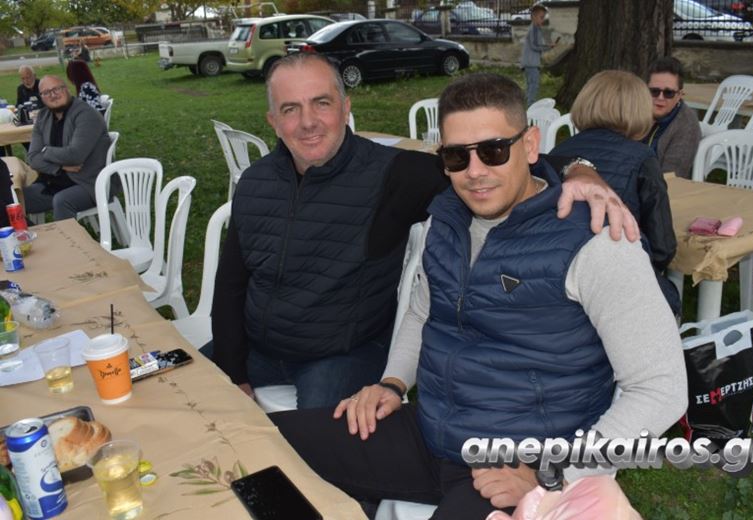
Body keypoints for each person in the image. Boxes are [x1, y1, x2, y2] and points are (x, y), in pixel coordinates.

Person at [269, 72, 687, 519]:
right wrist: (392, 383)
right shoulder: (446, 219)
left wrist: (554, 473)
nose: (475, 172)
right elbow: (422, 312)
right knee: (260, 443)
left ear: (530, 145)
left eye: (493, 150)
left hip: (519, 462)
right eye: (456, 156)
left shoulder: (596, 240)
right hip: (430, 432)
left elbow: (661, 389)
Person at [210, 53, 638, 410]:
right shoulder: (256, 182)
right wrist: (233, 371)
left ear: (345, 107)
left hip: (340, 356)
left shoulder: (393, 174)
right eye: (290, 109)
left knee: (314, 454)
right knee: (186, 397)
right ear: (273, 120)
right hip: (259, 348)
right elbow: (230, 285)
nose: (308, 122)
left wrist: (581, 168)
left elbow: (497, 162)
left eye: (321, 103)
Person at [552, 70, 679, 314]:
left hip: (561, 272)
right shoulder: (642, 158)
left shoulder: (559, 151)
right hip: (619, 280)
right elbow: (662, 246)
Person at [23, 75, 111, 221]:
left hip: (89, 183)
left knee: (62, 200)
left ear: (67, 89)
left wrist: (45, 150)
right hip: (54, 181)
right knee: (15, 197)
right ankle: (30, 234)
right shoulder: (43, 117)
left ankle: (68, 236)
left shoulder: (86, 114)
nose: (53, 95)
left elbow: (75, 155)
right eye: (46, 92)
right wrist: (59, 167)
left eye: (57, 89)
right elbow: (32, 158)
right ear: (41, 97)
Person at [642, 57, 701, 179]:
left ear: (679, 95)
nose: (660, 98)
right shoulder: (632, 110)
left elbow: (672, 176)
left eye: (668, 93)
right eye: (654, 91)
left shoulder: (687, 124)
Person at [520, 4, 555, 106]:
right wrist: (548, 47)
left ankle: (527, 104)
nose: (543, 20)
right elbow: (535, 46)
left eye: (543, 17)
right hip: (531, 63)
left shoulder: (535, 29)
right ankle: (531, 105)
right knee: (533, 85)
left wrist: (547, 46)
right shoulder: (534, 29)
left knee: (530, 85)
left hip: (529, 63)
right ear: (533, 17)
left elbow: (536, 44)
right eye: (541, 17)